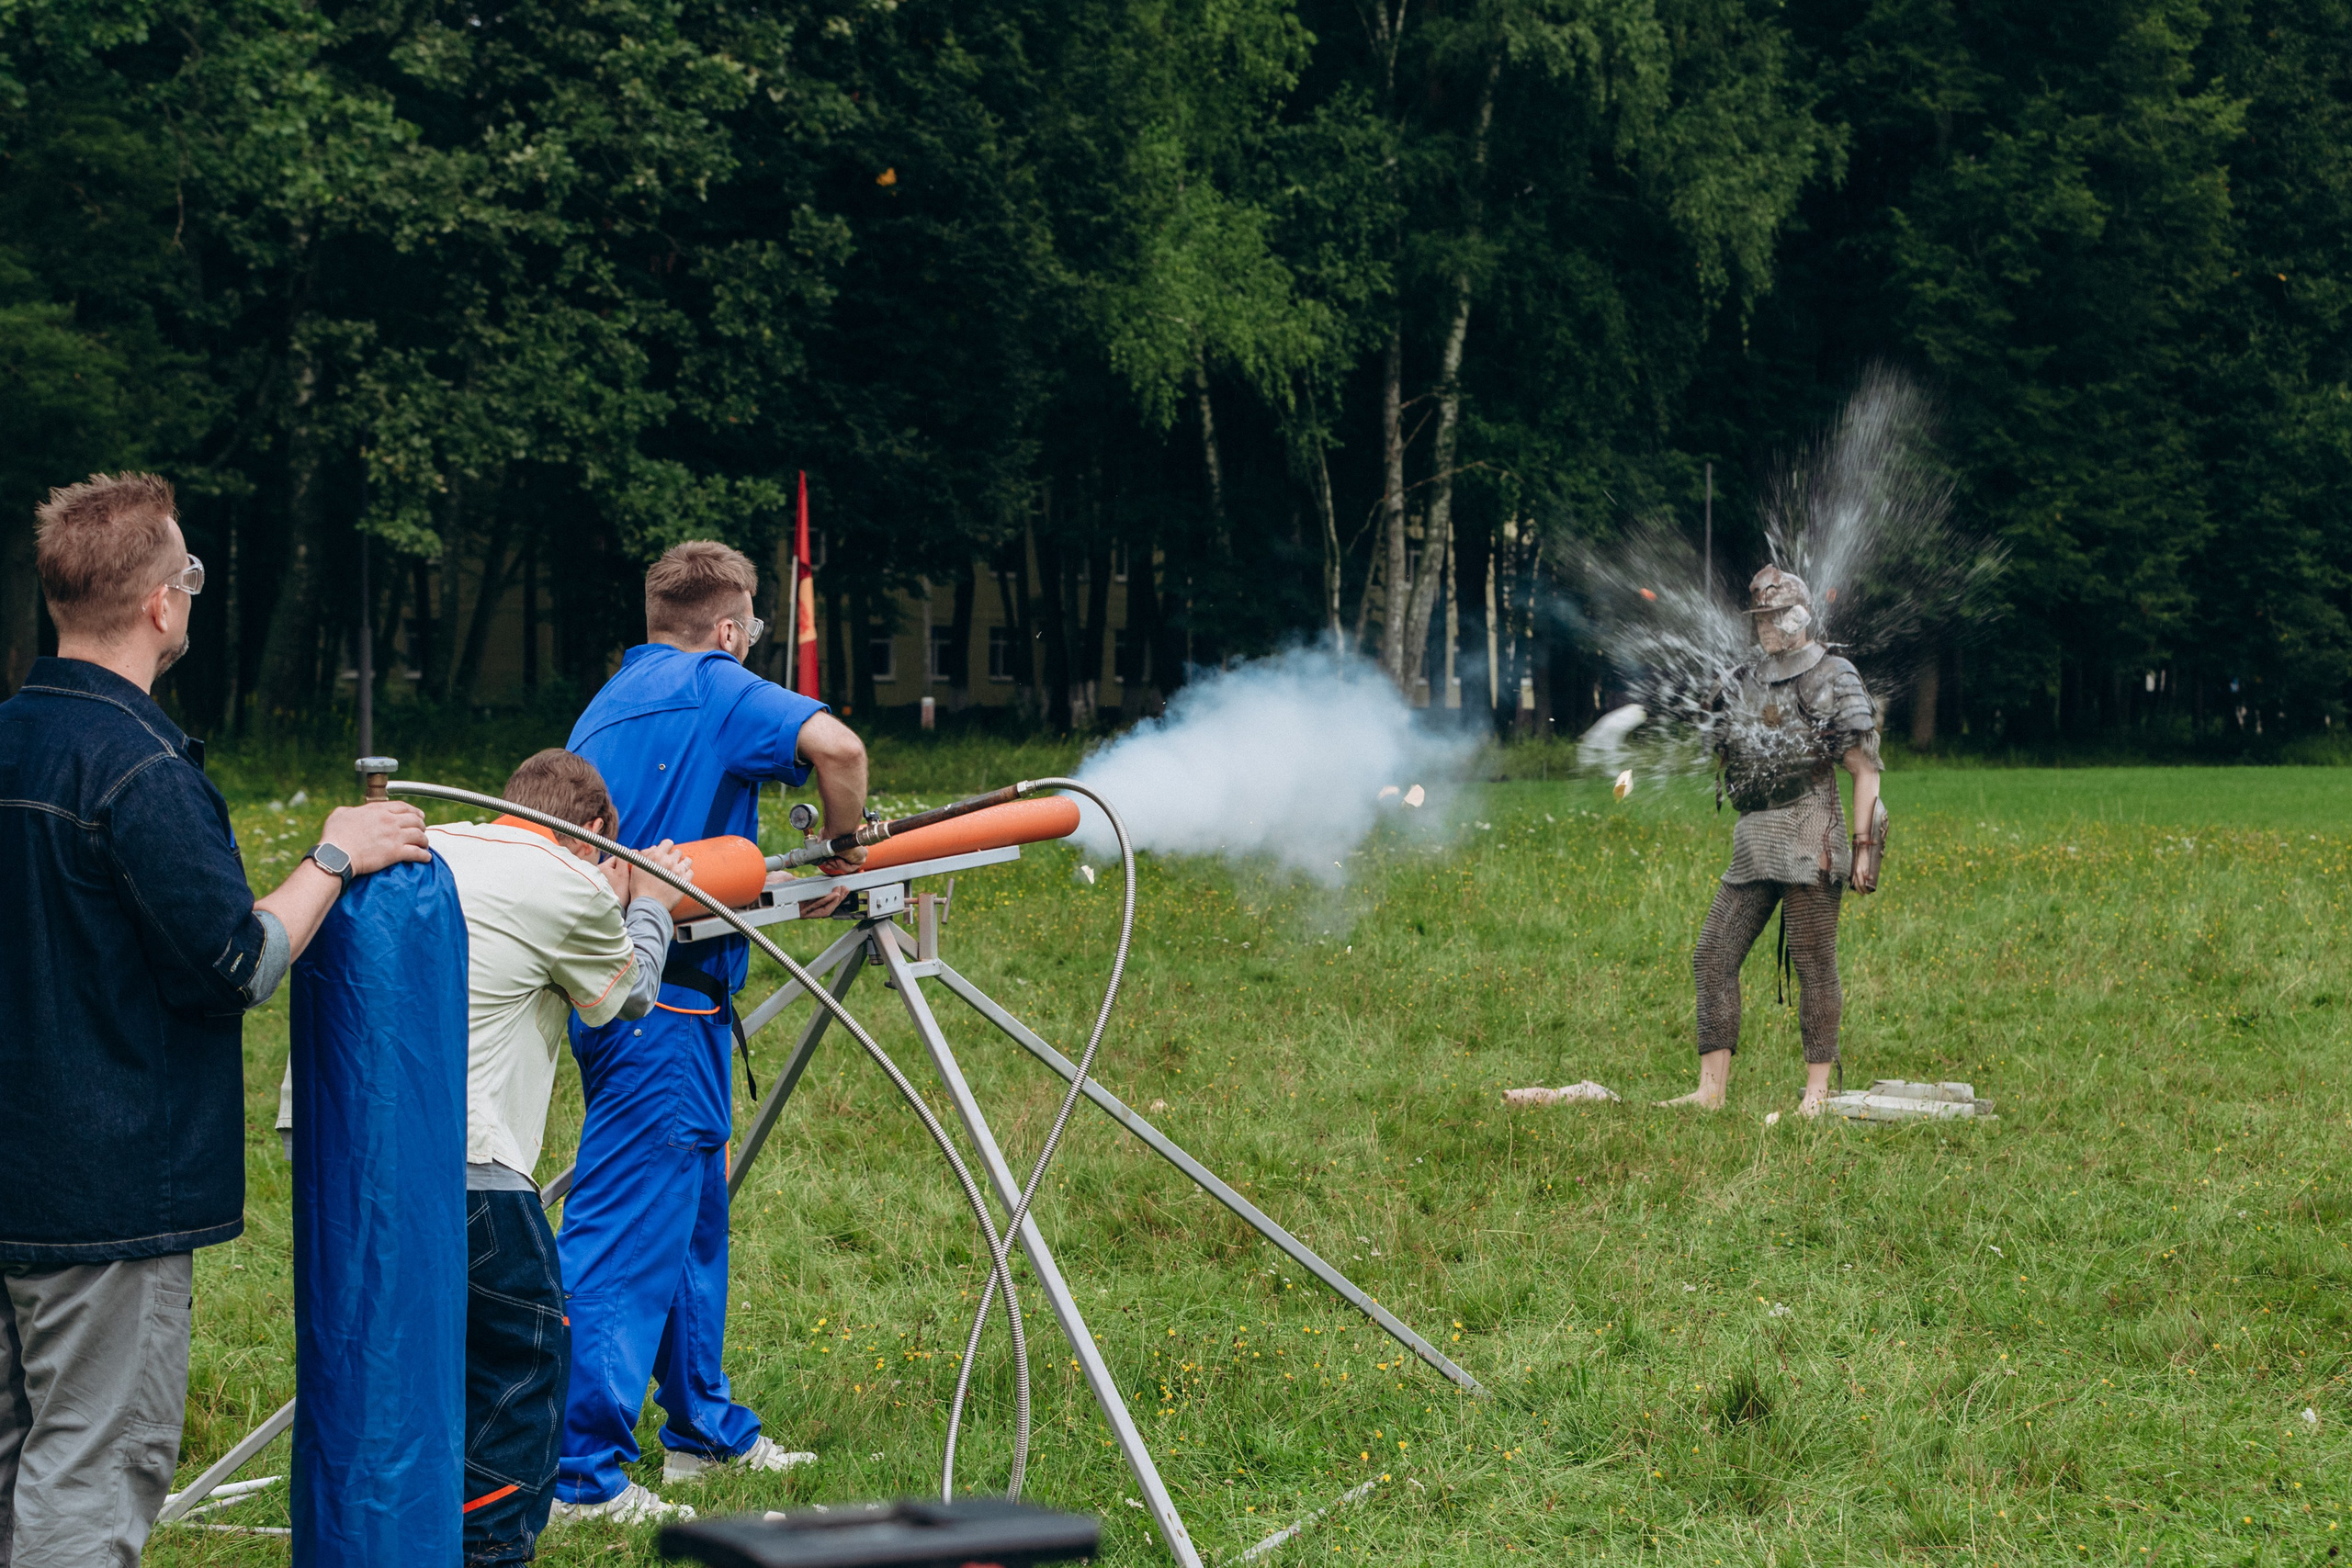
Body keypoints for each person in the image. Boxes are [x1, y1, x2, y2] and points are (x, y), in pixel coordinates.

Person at [0, 472, 428, 1565]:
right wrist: (335, 855)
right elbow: (237, 961)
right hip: (102, 1201)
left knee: (20, 1465)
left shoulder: (15, 738)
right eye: (188, 573)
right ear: (161, 603)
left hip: (19, 1175)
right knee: (88, 1481)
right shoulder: (138, 768)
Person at [551, 540, 868, 1523]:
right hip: (669, 1003)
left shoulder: (607, 701)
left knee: (689, 1222)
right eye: (749, 636)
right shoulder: (717, 684)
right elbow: (840, 750)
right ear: (730, 630)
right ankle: (578, 1479)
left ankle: (702, 1434)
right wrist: (843, 850)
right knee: (620, 1238)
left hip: (628, 993)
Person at [1662, 565, 1884, 1115]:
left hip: (1812, 829)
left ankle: (1816, 1094)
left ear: (1798, 616)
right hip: (1755, 836)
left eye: (1772, 616)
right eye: (1758, 616)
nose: (1764, 626)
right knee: (1712, 955)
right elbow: (1726, 745)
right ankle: (1709, 1093)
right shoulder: (1745, 677)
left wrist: (1862, 848)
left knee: (1813, 963)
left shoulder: (1833, 674)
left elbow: (1865, 768)